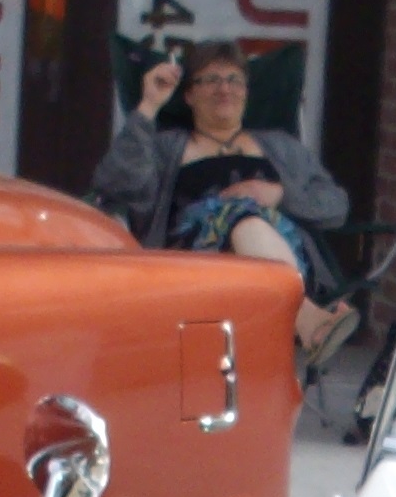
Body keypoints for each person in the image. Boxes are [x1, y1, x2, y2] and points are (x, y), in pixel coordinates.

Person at [93, 39, 360, 365]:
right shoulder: (167, 147)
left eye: (235, 80)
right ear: (189, 95)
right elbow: (118, 184)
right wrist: (149, 105)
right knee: (240, 214)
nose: (225, 89)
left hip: (282, 253)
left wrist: (281, 195)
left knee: (248, 218)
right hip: (196, 268)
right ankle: (308, 319)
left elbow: (336, 206)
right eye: (211, 80)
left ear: (247, 92)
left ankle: (302, 317)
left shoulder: (280, 148)